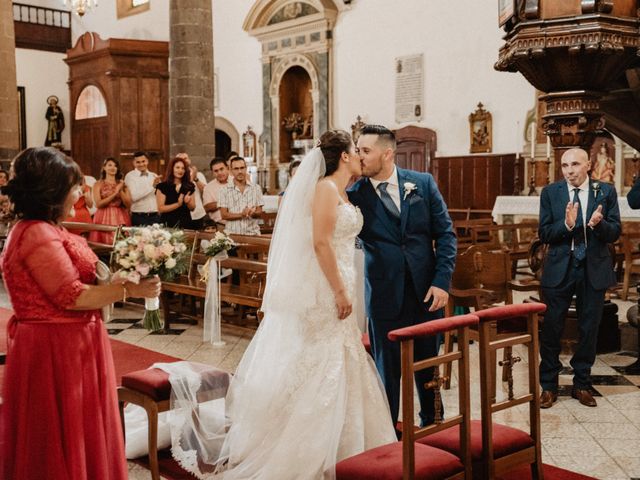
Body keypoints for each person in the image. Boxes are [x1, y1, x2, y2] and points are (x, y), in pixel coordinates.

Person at [151, 130, 395, 479]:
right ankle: (311, 446)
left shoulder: (342, 190)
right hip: (328, 288)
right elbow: (321, 244)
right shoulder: (325, 188)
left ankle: (349, 443)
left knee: (341, 355)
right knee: (322, 359)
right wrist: (340, 291)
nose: (359, 155)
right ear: (342, 156)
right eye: (355, 150)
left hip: (340, 280)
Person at [0, 147, 161, 480]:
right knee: (59, 435)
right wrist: (130, 291)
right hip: (54, 350)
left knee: (79, 430)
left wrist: (120, 278)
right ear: (52, 189)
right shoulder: (35, 233)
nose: (78, 192)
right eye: (72, 185)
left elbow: (78, 279)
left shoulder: (48, 228)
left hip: (74, 344)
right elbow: (71, 296)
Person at [348, 124, 457, 430]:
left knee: (428, 371)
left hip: (426, 295)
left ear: (387, 153)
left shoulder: (421, 183)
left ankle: (434, 427)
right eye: (357, 150)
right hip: (384, 297)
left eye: (365, 150)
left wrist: (441, 281)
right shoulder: (353, 195)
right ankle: (388, 437)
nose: (360, 156)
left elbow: (446, 235)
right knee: (387, 374)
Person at [538, 147, 621, 409]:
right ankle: (549, 386)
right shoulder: (551, 193)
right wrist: (567, 225)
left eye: (575, 164)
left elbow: (615, 231)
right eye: (564, 165)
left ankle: (582, 384)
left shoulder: (605, 191)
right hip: (560, 267)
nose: (569, 170)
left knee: (589, 328)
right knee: (551, 328)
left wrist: (599, 224)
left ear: (588, 165)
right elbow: (544, 233)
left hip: (593, 268)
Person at [89, 157, 131, 245]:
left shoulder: (122, 184)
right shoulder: (98, 184)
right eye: (110, 165)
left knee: (121, 244)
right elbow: (99, 204)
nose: (113, 168)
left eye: (115, 166)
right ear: (104, 168)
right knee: (103, 245)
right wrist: (115, 192)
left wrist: (120, 190)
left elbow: (128, 204)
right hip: (102, 215)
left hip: (120, 216)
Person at [218, 157, 264, 235]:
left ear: (246, 169)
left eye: (242, 168)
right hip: (233, 236)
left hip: (253, 234)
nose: (240, 171)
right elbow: (224, 215)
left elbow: (259, 212)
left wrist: (253, 213)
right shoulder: (223, 190)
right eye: (236, 169)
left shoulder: (256, 188)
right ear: (231, 171)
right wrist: (241, 215)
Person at [155, 157, 196, 229]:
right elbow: (160, 208)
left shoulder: (189, 186)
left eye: (183, 168)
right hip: (168, 225)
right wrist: (178, 204)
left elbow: (193, 208)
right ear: (172, 169)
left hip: (185, 224)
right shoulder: (162, 186)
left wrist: (188, 202)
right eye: (177, 167)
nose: (180, 170)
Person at [124, 151, 161, 226]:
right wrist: (152, 186)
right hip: (139, 216)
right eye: (138, 162)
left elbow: (159, 196)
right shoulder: (130, 176)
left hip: (155, 216)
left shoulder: (154, 176)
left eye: (143, 161)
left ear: (147, 161)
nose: (141, 164)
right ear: (134, 163)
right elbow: (133, 197)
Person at [176, 152, 207, 229]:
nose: (184, 161)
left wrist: (196, 178)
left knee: (198, 239)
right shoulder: (176, 177)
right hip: (182, 215)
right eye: (181, 159)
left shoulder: (199, 174)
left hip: (198, 213)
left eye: (185, 158)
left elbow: (206, 191)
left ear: (189, 160)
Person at [203, 157, 232, 228]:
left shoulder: (237, 182)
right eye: (216, 171)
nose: (219, 173)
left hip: (239, 224)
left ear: (227, 168)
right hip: (219, 226)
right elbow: (207, 208)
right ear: (212, 173)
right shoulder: (208, 187)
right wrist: (225, 201)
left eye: (221, 169)